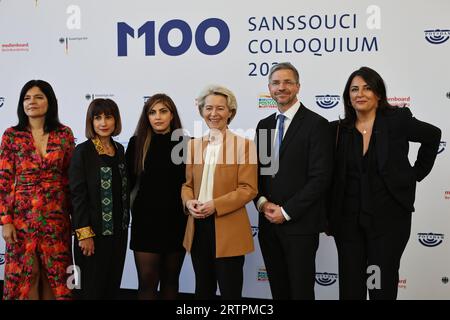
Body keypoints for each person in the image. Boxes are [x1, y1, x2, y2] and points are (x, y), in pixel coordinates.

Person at [328, 66, 441, 300]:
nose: (360, 94)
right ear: (347, 97)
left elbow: (433, 135)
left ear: (378, 94)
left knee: (380, 286)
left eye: (367, 88)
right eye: (354, 89)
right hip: (348, 224)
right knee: (350, 288)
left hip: (388, 223)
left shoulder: (397, 121)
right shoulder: (338, 130)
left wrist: (415, 174)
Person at [254, 62, 333, 300]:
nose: (282, 87)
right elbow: (260, 173)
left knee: (300, 292)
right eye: (276, 83)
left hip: (300, 226)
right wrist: (262, 203)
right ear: (269, 88)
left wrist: (286, 211)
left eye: (288, 82)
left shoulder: (316, 124)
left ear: (298, 86)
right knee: (278, 290)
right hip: (268, 225)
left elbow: (321, 178)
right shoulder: (265, 125)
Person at [0, 80, 74, 300]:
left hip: (56, 217)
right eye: (27, 98)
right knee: (26, 275)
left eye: (38, 97)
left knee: (56, 277)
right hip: (22, 218)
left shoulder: (64, 134)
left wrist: (75, 218)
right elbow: (4, 181)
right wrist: (6, 221)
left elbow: (70, 179)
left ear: (49, 102)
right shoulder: (12, 136)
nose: (32, 102)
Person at [182, 85, 257, 300]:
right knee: (202, 291)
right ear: (201, 112)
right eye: (209, 108)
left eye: (220, 108)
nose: (214, 114)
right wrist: (189, 203)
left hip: (228, 229)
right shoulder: (194, 146)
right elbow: (186, 185)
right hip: (198, 228)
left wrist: (215, 204)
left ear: (230, 112)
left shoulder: (245, 145)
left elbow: (248, 188)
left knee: (230, 293)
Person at [125, 94, 188, 300]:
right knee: (147, 281)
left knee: (171, 280)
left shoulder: (187, 144)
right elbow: (126, 185)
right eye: (152, 112)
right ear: (147, 117)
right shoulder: (136, 143)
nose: (158, 117)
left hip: (177, 222)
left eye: (163, 111)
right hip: (146, 224)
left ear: (172, 115)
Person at [69, 98, 129, 300]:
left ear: (116, 121)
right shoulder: (83, 151)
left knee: (112, 288)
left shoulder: (120, 150)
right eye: (98, 118)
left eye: (108, 117)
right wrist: (84, 234)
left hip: (118, 234)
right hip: (93, 236)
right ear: (91, 122)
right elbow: (77, 196)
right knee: (92, 291)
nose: (103, 123)